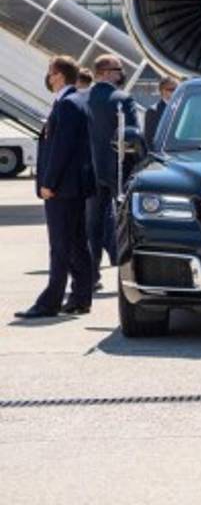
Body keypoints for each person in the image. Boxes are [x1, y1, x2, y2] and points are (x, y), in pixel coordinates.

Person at [15, 56, 94, 319]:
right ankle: (80, 297)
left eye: (50, 73)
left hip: (62, 188)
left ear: (59, 76)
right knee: (76, 244)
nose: (48, 78)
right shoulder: (74, 101)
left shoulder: (68, 104)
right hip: (72, 187)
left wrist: (49, 182)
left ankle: (49, 302)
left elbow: (61, 149)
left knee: (60, 246)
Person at [81, 54, 137, 290]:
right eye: (118, 69)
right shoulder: (122, 99)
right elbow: (133, 137)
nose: (121, 73)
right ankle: (130, 276)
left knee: (91, 227)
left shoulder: (81, 99)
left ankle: (91, 276)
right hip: (119, 170)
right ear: (104, 73)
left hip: (89, 171)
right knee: (127, 225)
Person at [143, 76, 178, 142]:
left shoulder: (183, 108)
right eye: (171, 89)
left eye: (177, 89)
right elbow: (149, 137)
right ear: (162, 91)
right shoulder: (153, 111)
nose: (175, 92)